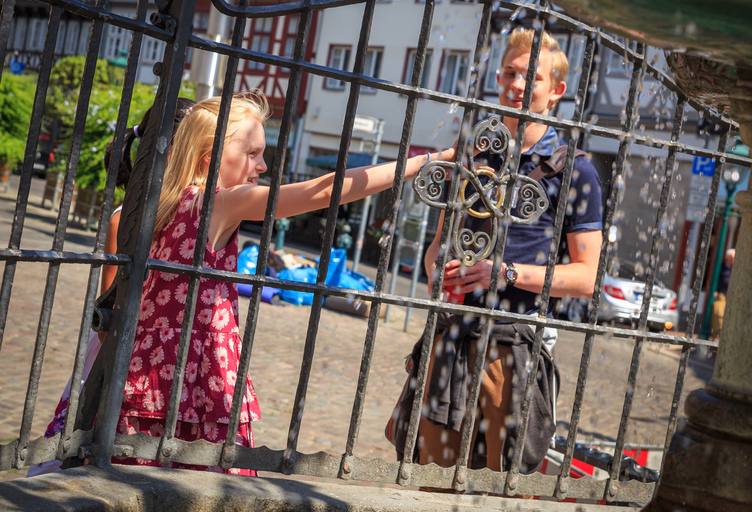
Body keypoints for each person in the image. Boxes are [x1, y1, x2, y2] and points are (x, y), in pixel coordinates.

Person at [114, 91, 455, 475]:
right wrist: (430, 160)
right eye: (253, 153)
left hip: (146, 373)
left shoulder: (166, 200)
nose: (262, 165)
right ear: (211, 156)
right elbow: (327, 190)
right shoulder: (218, 202)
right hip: (196, 376)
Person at [413, 28, 603, 475]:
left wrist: (505, 273)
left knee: (502, 488)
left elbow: (587, 278)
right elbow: (439, 245)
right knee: (429, 483)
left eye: (530, 78)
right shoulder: (473, 151)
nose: (515, 86)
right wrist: (436, 269)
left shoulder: (576, 171)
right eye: (509, 73)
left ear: (555, 91)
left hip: (515, 345)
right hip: (453, 337)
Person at [27, 98, 196, 477]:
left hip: (168, 353)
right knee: (89, 447)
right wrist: (118, 371)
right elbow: (109, 310)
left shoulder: (196, 213)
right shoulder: (127, 219)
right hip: (122, 350)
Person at [711, 248, 735, 340]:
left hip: (730, 293)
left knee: (727, 314)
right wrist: (715, 290)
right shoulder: (721, 267)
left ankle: (724, 334)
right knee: (718, 313)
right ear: (727, 257)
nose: (733, 260)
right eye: (732, 258)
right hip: (721, 293)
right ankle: (717, 335)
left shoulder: (735, 267)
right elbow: (715, 279)